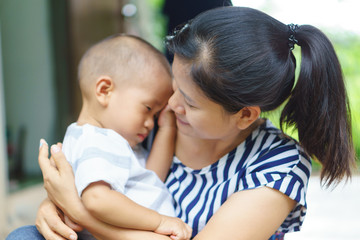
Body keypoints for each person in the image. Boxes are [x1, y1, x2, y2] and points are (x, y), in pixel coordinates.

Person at [7, 6, 356, 240]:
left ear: (245, 115)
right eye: (174, 87)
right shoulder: (154, 119)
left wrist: (80, 210)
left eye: (188, 102)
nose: (171, 107)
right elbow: (103, 173)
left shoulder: (278, 165)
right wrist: (56, 208)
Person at [17, 34, 192, 240]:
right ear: (104, 90)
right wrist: (160, 221)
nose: (150, 123)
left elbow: (151, 177)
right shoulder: (97, 141)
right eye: (147, 108)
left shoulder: (109, 139)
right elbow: (97, 200)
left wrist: (167, 128)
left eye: (155, 115)